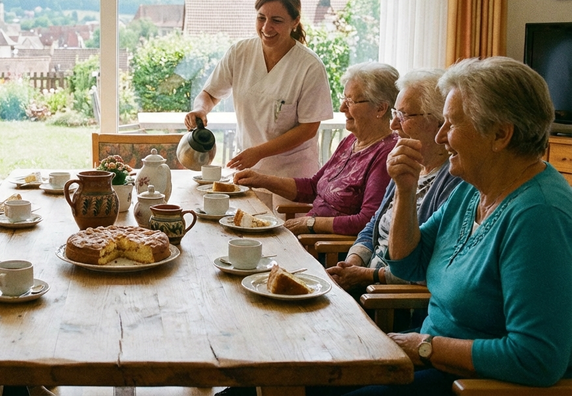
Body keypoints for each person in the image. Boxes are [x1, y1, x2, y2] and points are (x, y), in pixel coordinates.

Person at [371, 58, 572, 394]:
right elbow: (408, 263)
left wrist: (427, 347)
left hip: (470, 384)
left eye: (451, 124)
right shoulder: (471, 189)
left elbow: (537, 358)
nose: (440, 136)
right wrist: (405, 190)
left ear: (500, 134)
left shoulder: (539, 216)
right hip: (429, 356)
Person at [327, 69, 461, 293]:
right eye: (395, 113)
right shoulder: (408, 163)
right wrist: (352, 262)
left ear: (438, 121)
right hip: (365, 283)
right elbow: (373, 225)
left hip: (388, 298)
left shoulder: (454, 180)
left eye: (404, 115)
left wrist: (368, 276)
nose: (393, 125)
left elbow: (431, 267)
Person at [185, 0, 333, 181]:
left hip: (292, 177)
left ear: (295, 21)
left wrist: (258, 152)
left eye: (276, 20)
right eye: (261, 18)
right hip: (248, 170)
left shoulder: (310, 66)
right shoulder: (240, 52)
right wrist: (200, 109)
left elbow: (308, 129)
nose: (266, 27)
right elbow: (210, 94)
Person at [234, 62, 399, 236]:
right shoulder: (350, 141)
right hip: (308, 237)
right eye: (344, 99)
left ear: (380, 108)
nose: (342, 108)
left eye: (351, 101)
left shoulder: (386, 155)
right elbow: (313, 187)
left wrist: (311, 223)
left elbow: (367, 221)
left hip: (325, 246)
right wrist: (260, 179)